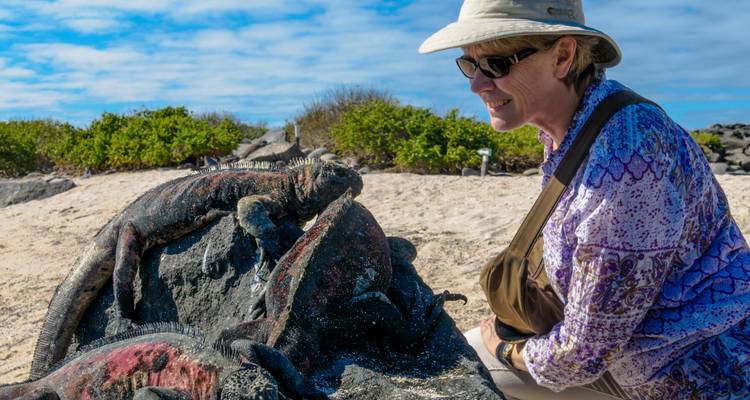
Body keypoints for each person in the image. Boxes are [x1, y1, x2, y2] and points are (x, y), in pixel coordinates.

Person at [419, 1, 750, 399]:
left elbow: (585, 353)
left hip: (689, 375)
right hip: (647, 356)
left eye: (496, 64)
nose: (477, 84)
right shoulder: (578, 127)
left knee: (467, 363)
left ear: (563, 56)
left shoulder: (626, 152)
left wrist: (507, 349)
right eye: (470, 65)